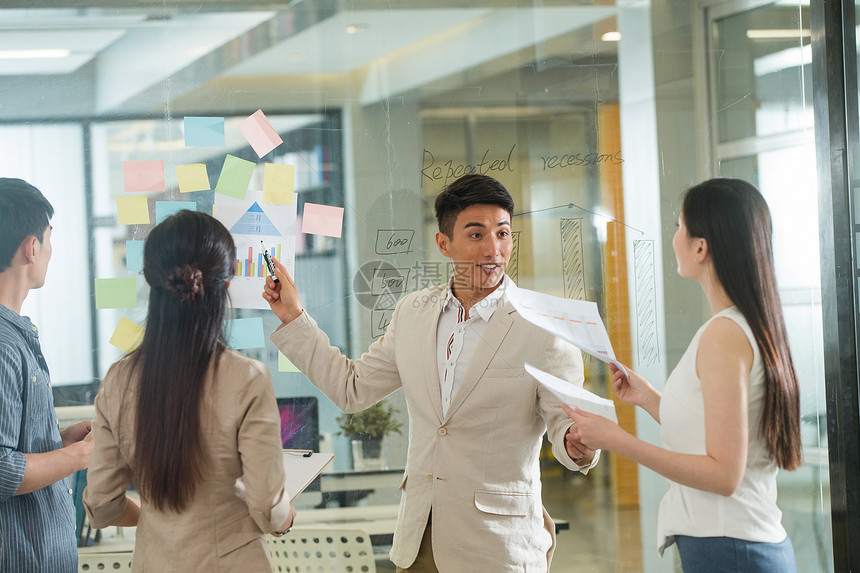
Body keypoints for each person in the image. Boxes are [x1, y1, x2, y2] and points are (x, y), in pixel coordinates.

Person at [263, 173, 598, 573]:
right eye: (476, 235)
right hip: (419, 541)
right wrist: (294, 318)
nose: (494, 249)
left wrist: (579, 444)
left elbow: (566, 427)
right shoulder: (413, 313)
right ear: (444, 243)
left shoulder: (544, 327)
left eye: (503, 233)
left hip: (498, 548)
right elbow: (352, 388)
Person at [566, 178, 802, 572]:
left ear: (700, 247)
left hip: (732, 551)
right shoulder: (741, 325)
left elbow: (724, 474)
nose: (674, 236)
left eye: (679, 225)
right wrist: (647, 398)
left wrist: (617, 440)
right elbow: (714, 430)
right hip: (735, 546)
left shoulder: (724, 334)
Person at [83, 210, 296, 571]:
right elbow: (266, 507)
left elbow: (101, 506)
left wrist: (156, 521)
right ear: (227, 283)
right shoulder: (246, 378)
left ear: (152, 283)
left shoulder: (118, 380)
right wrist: (284, 516)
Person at [0, 178, 93, 572]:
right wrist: (77, 456)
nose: (50, 252)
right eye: (49, 240)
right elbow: (2, 467)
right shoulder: (4, 345)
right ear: (31, 247)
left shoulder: (17, 334)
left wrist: (58, 443)